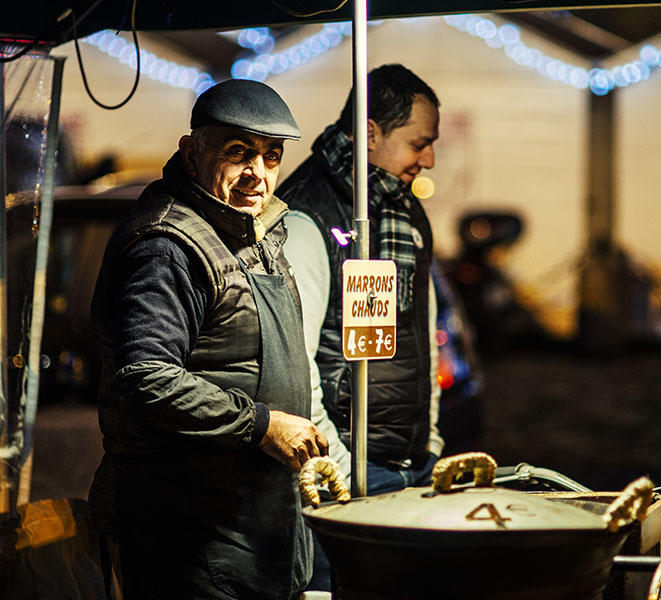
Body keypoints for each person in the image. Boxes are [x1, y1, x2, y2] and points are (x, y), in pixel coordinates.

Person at [88, 79, 328, 599]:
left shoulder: (255, 231)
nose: (257, 175)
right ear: (192, 152)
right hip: (190, 530)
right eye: (239, 153)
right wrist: (262, 425)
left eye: (271, 157)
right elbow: (147, 380)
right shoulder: (167, 246)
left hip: (256, 520)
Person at [278, 64, 444, 496]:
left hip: (413, 462)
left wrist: (431, 438)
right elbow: (294, 367)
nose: (429, 160)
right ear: (369, 133)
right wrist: (340, 470)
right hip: (349, 472)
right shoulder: (306, 215)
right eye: (419, 144)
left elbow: (422, 330)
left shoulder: (402, 207)